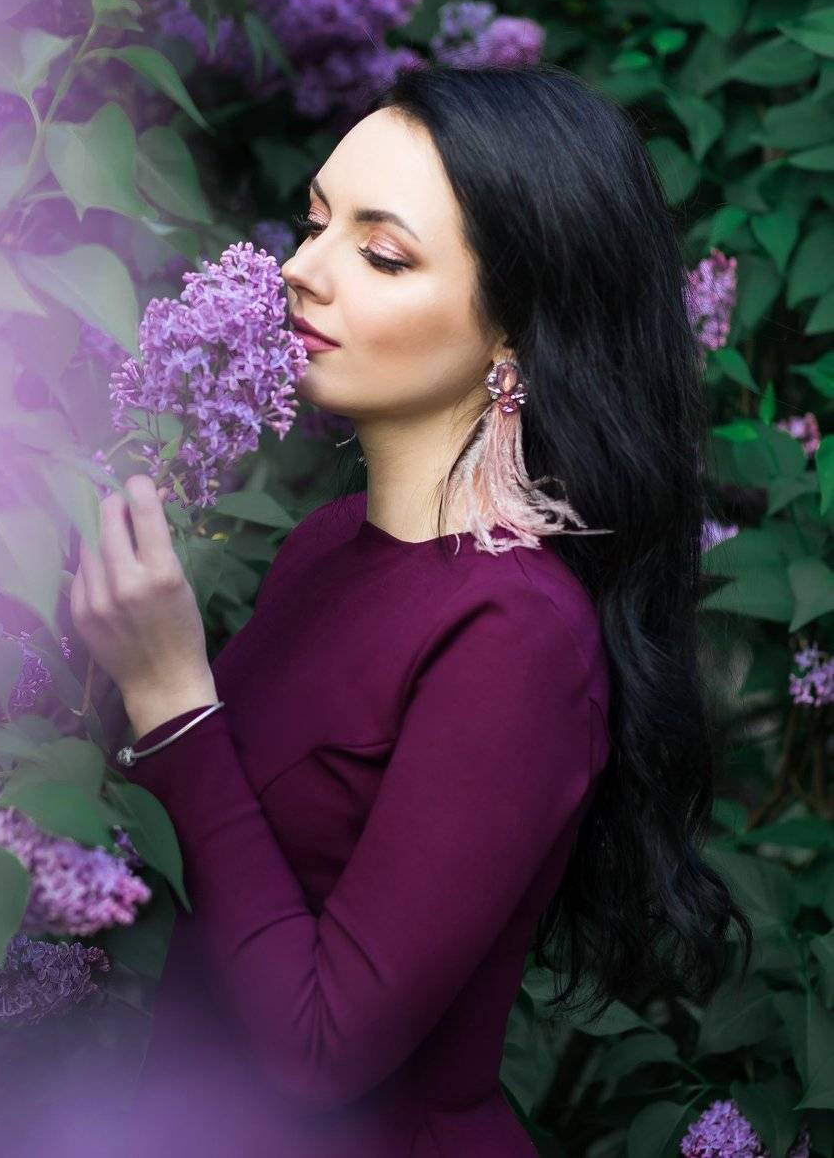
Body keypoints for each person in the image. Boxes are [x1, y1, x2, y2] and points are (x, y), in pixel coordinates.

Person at [71, 64, 753, 1156]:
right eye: (315, 224)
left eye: (382, 254)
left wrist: (170, 696)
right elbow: (201, 869)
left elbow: (320, 1050)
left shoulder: (516, 633)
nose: (300, 271)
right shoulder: (324, 547)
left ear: (516, 329)